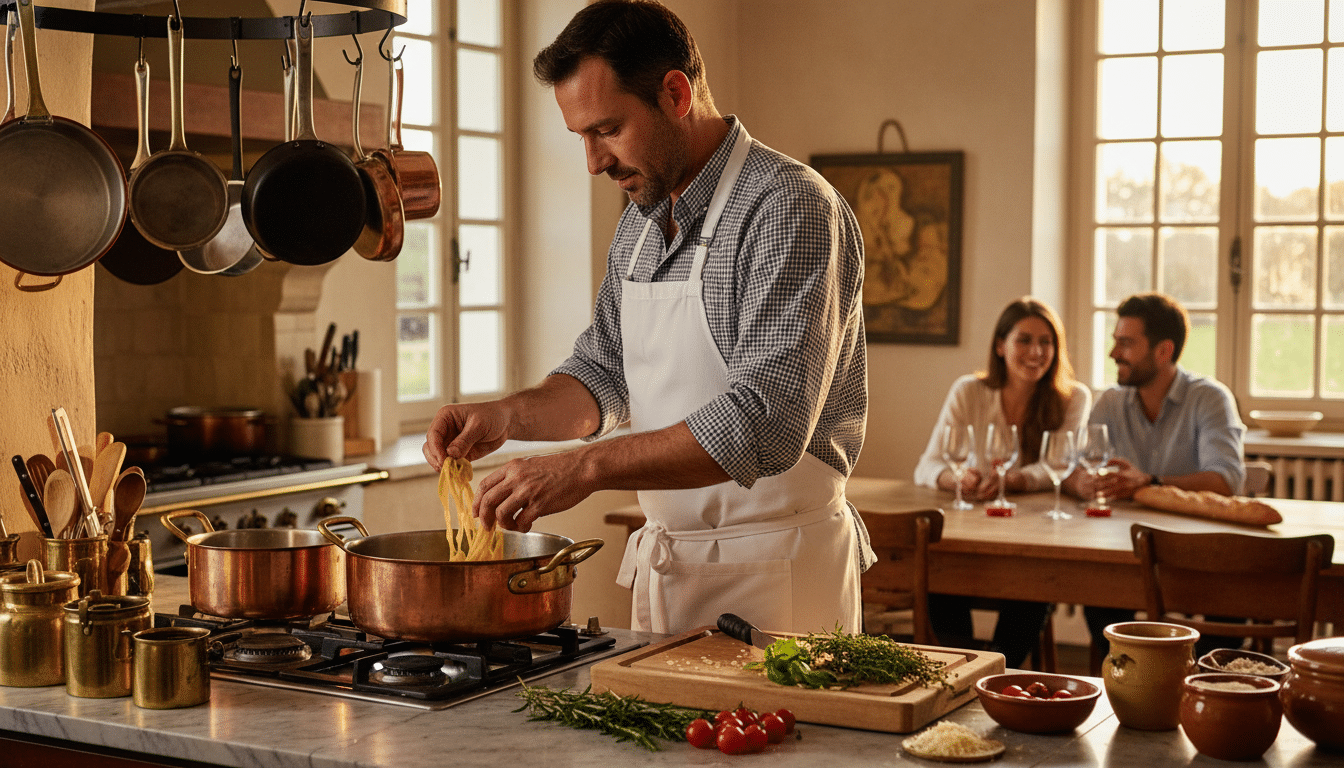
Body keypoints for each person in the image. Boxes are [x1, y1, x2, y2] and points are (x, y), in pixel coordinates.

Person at [421, 0, 873, 637]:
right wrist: (506, 417)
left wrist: (584, 469)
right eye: (581, 136)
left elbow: (766, 421)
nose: (593, 161)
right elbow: (602, 376)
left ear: (675, 93)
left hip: (783, 578)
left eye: (606, 129)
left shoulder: (787, 207)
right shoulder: (640, 220)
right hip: (671, 571)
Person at [1064, 292, 1247, 672]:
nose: (1114, 353)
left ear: (1164, 351)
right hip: (1125, 553)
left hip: (1200, 558)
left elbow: (1227, 479)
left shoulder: (1210, 398)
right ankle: (1124, 685)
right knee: (1097, 593)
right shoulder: (1110, 402)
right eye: (1115, 341)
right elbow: (1070, 468)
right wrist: (1080, 483)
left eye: (1126, 343)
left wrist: (1150, 482)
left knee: (1230, 616)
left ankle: (1205, 689)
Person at [913, 297, 1090, 666]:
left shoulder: (1073, 398)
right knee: (939, 576)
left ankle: (995, 670)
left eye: (1047, 342)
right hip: (973, 536)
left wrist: (1017, 479)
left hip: (1035, 538)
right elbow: (928, 466)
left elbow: (1059, 465)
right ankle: (966, 666)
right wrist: (958, 478)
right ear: (1000, 345)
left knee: (1036, 582)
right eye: (1024, 340)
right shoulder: (969, 391)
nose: (1037, 351)